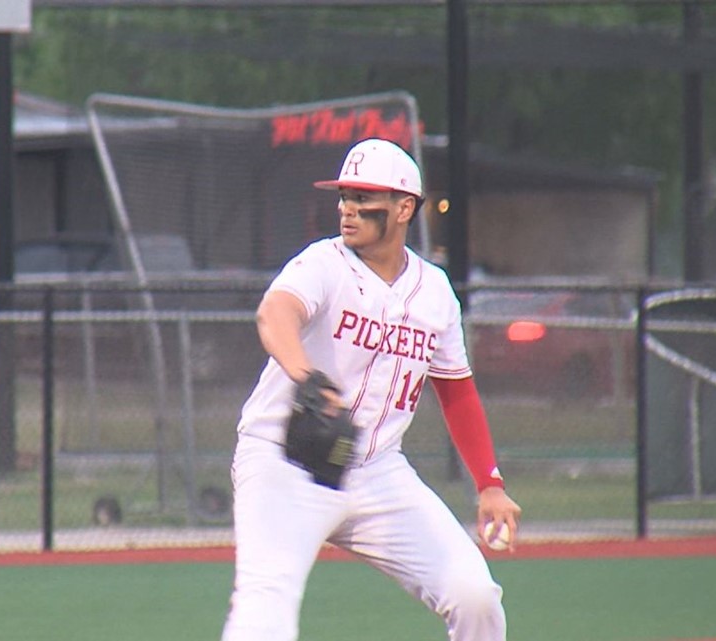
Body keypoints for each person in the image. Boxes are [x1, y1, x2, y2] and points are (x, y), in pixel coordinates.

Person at [220, 138, 522, 641]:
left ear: (405, 208)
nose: (349, 209)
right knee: (265, 604)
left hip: (377, 469)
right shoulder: (325, 263)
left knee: (475, 597)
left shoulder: (434, 292)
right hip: (285, 460)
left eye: (365, 199)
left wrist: (489, 483)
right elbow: (275, 314)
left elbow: (457, 391)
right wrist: (305, 376)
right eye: (344, 197)